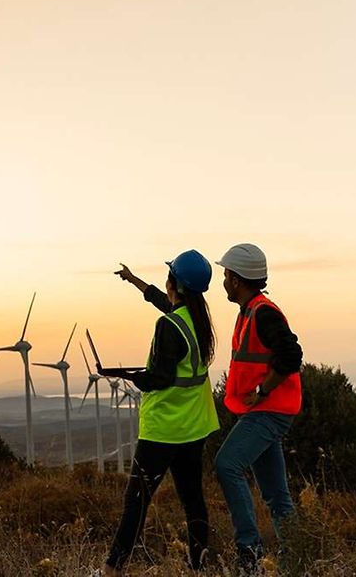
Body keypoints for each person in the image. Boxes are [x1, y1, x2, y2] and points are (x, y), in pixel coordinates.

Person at [97, 250, 220, 575]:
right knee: (193, 500)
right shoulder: (196, 320)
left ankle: (113, 569)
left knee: (136, 501)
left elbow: (159, 379)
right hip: (194, 427)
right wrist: (132, 279)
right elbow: (158, 300)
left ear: (174, 284)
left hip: (163, 430)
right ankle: (199, 565)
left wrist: (129, 376)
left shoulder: (169, 325)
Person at [213, 243, 303, 575]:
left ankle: (249, 551)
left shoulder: (263, 312)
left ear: (236, 280)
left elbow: (291, 355)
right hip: (264, 411)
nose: (223, 281)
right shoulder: (251, 311)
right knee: (276, 494)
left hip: (270, 410)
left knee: (227, 464)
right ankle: (298, 554)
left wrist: (263, 390)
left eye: (225, 275)